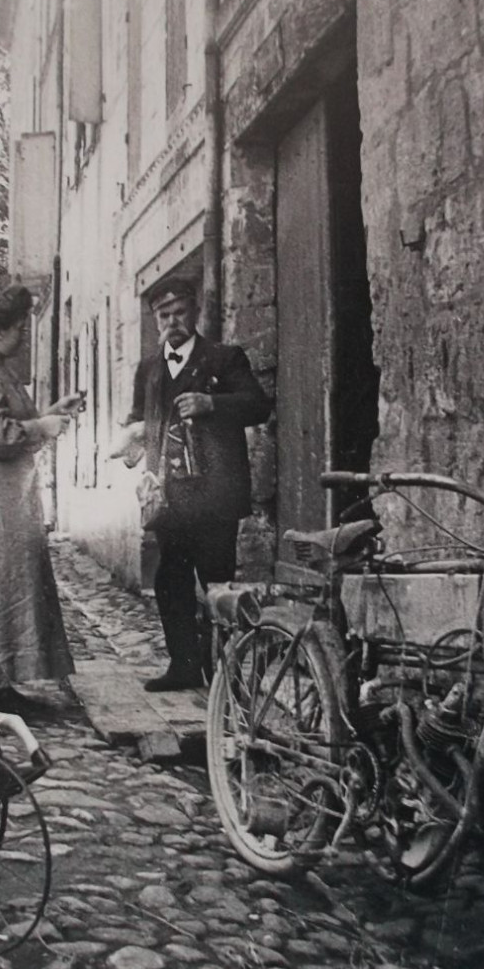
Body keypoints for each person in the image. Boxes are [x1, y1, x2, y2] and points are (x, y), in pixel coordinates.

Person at [124, 277, 272, 691]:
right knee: (170, 580)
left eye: (180, 312)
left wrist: (213, 404)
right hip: (167, 494)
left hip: (212, 493)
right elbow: (138, 418)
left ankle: (224, 670)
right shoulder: (149, 368)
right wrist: (133, 442)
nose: (173, 321)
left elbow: (259, 405)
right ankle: (183, 666)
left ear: (196, 313)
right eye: (164, 315)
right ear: (156, 320)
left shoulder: (224, 360)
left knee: (216, 582)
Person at [0, 284, 82, 716]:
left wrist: (51, 411)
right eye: (20, 328)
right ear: (2, 330)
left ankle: (1, 684)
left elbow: (15, 422)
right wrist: (42, 426)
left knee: (15, 581)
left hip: (12, 492)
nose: (24, 336)